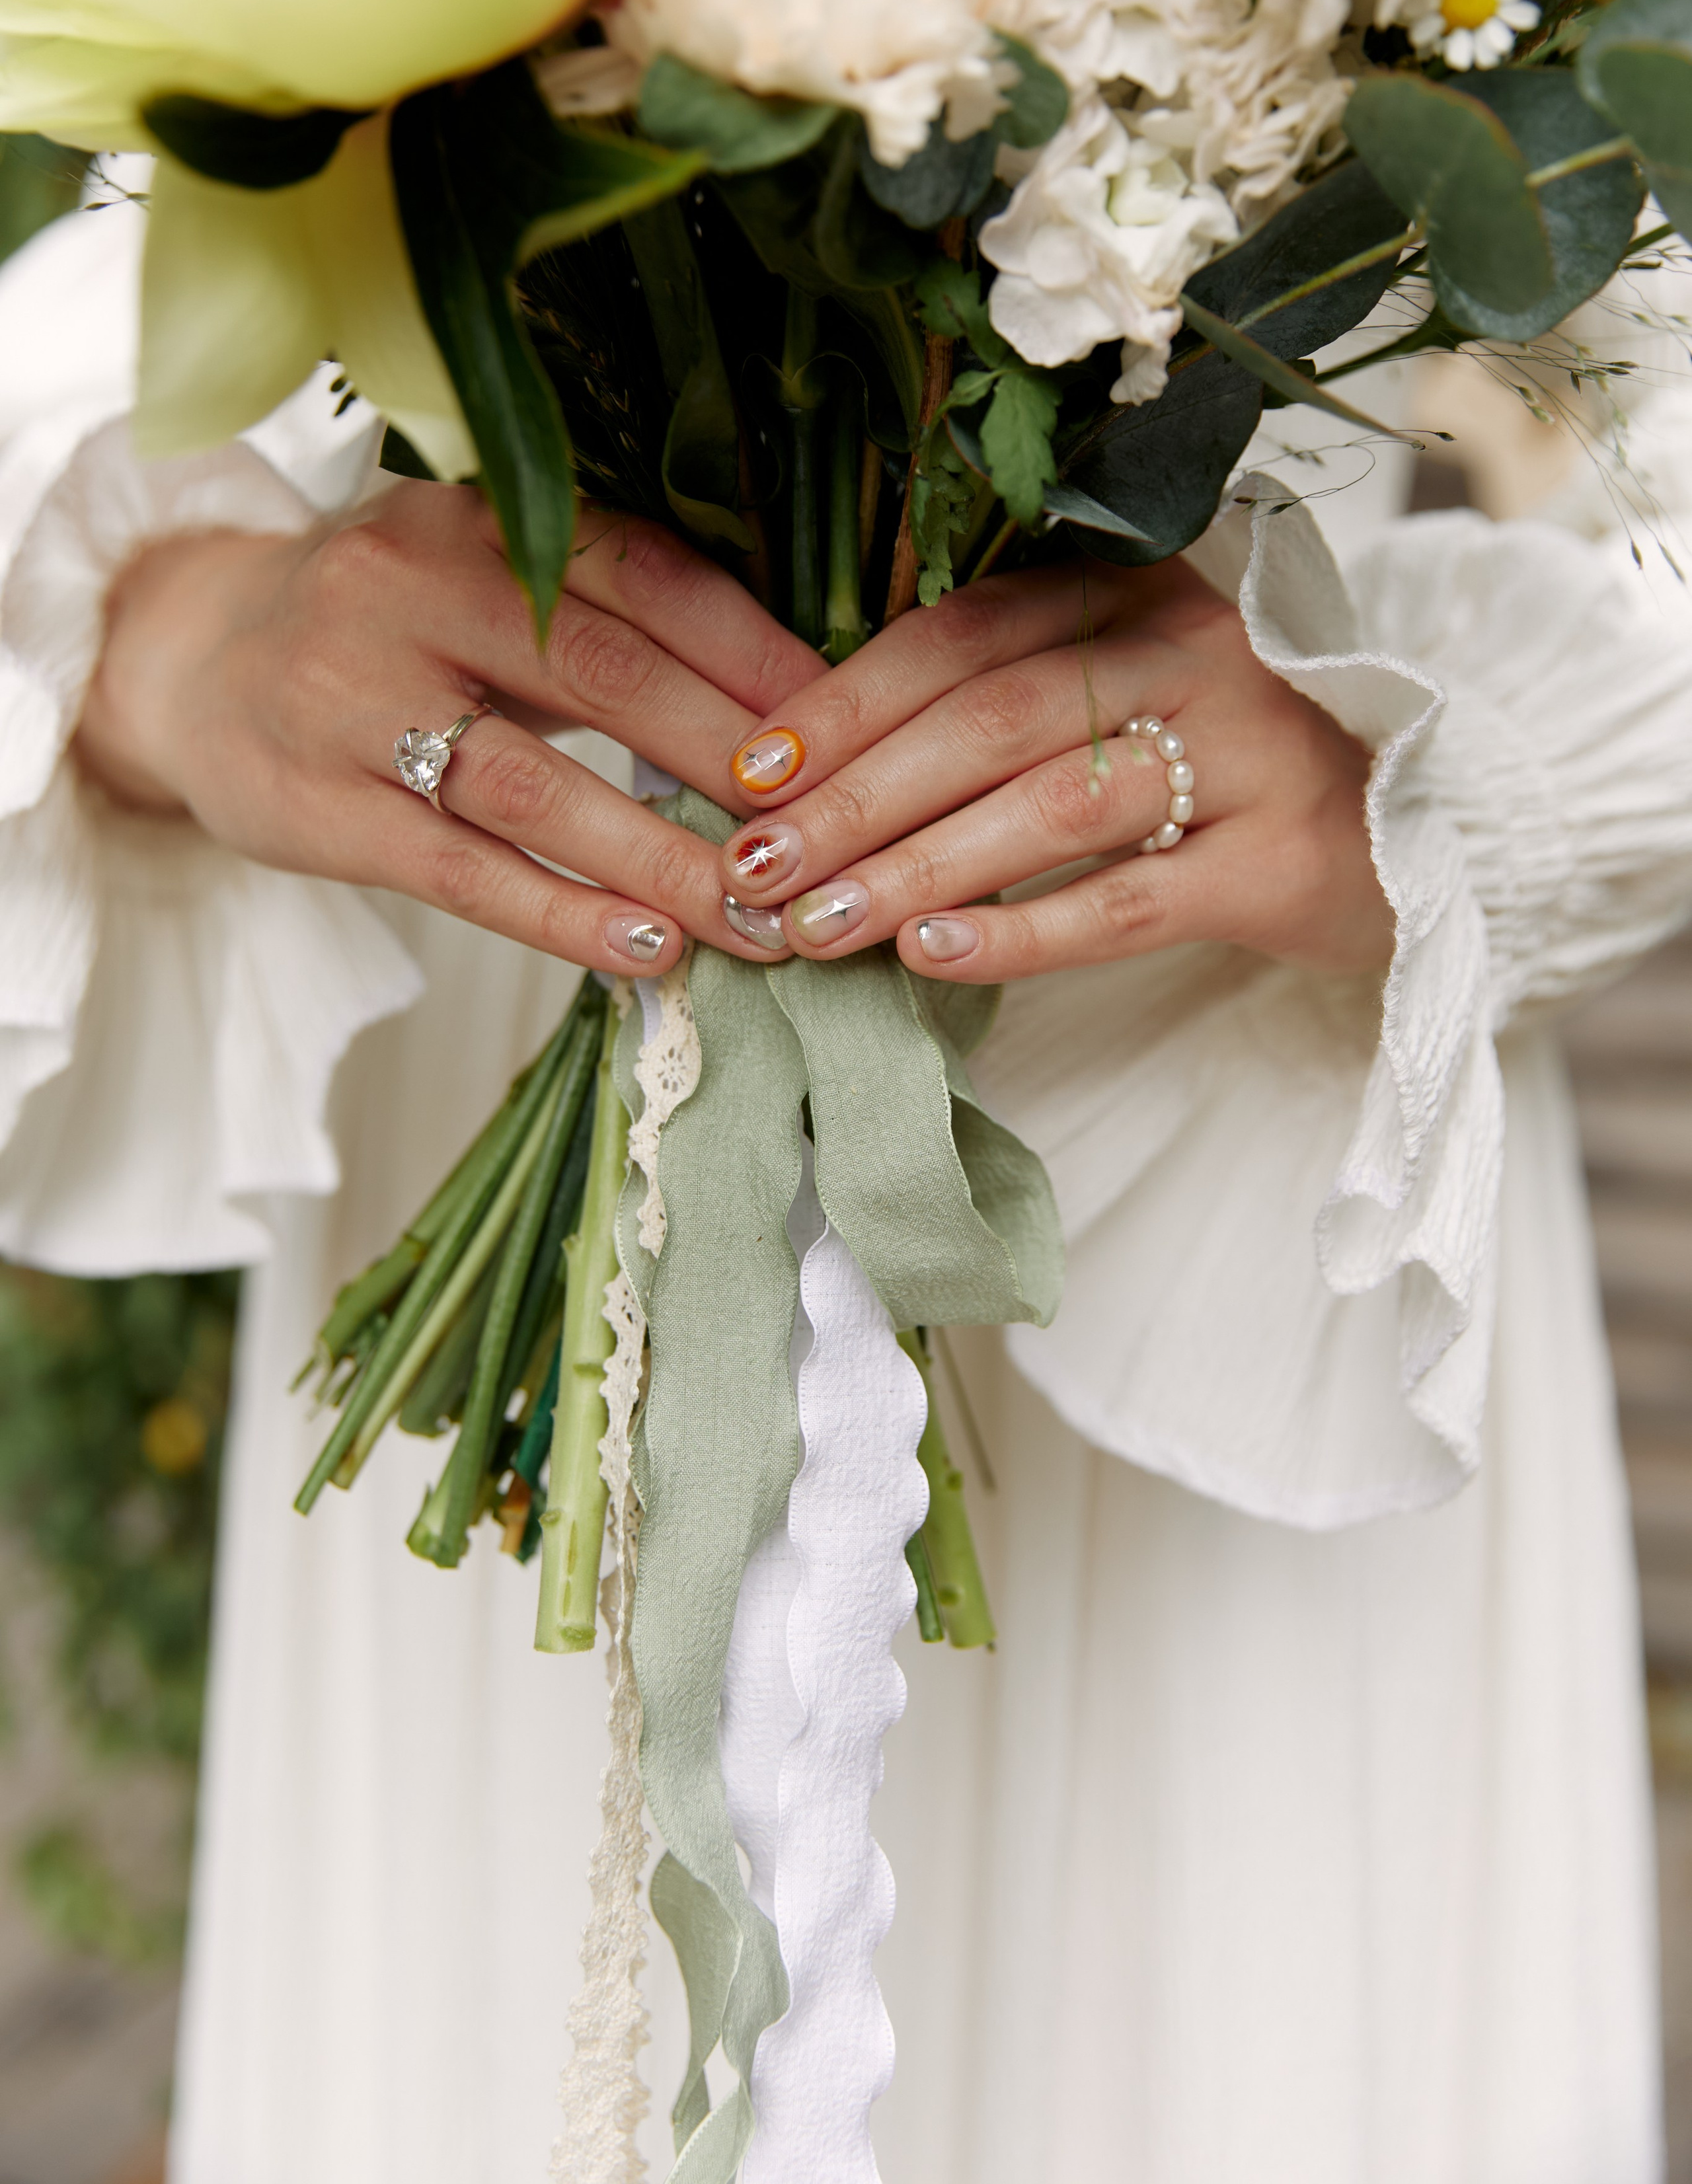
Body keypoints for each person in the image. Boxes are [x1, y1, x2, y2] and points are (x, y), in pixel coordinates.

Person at [3, 184, 1691, 2184]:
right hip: (518, 884)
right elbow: (197, 107)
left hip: (1229, 1090)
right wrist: (166, 634)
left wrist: (1454, 783)